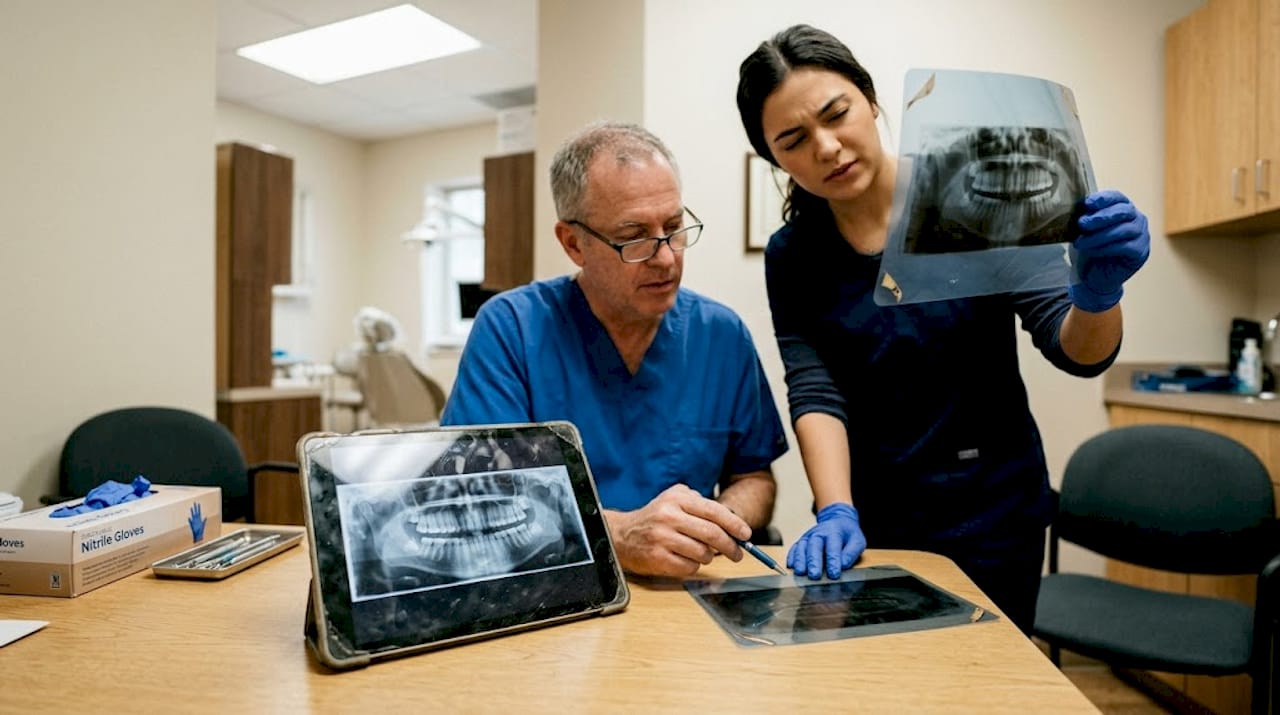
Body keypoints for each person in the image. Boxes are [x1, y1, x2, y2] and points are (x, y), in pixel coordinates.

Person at [735, 24, 1150, 633]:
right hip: (881, 520)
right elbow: (816, 388)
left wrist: (1098, 293)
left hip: (996, 512)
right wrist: (836, 509)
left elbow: (1077, 352)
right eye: (794, 139)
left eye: (836, 114)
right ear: (775, 157)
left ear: (872, 101)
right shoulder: (794, 255)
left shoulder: (977, 195)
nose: (825, 147)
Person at [441, 121, 790, 578]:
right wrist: (620, 536)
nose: (666, 258)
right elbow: (476, 498)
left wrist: (712, 522)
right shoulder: (512, 330)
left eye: (674, 228)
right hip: (554, 591)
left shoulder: (721, 335)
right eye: (634, 237)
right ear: (573, 243)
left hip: (686, 594)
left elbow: (754, 478)